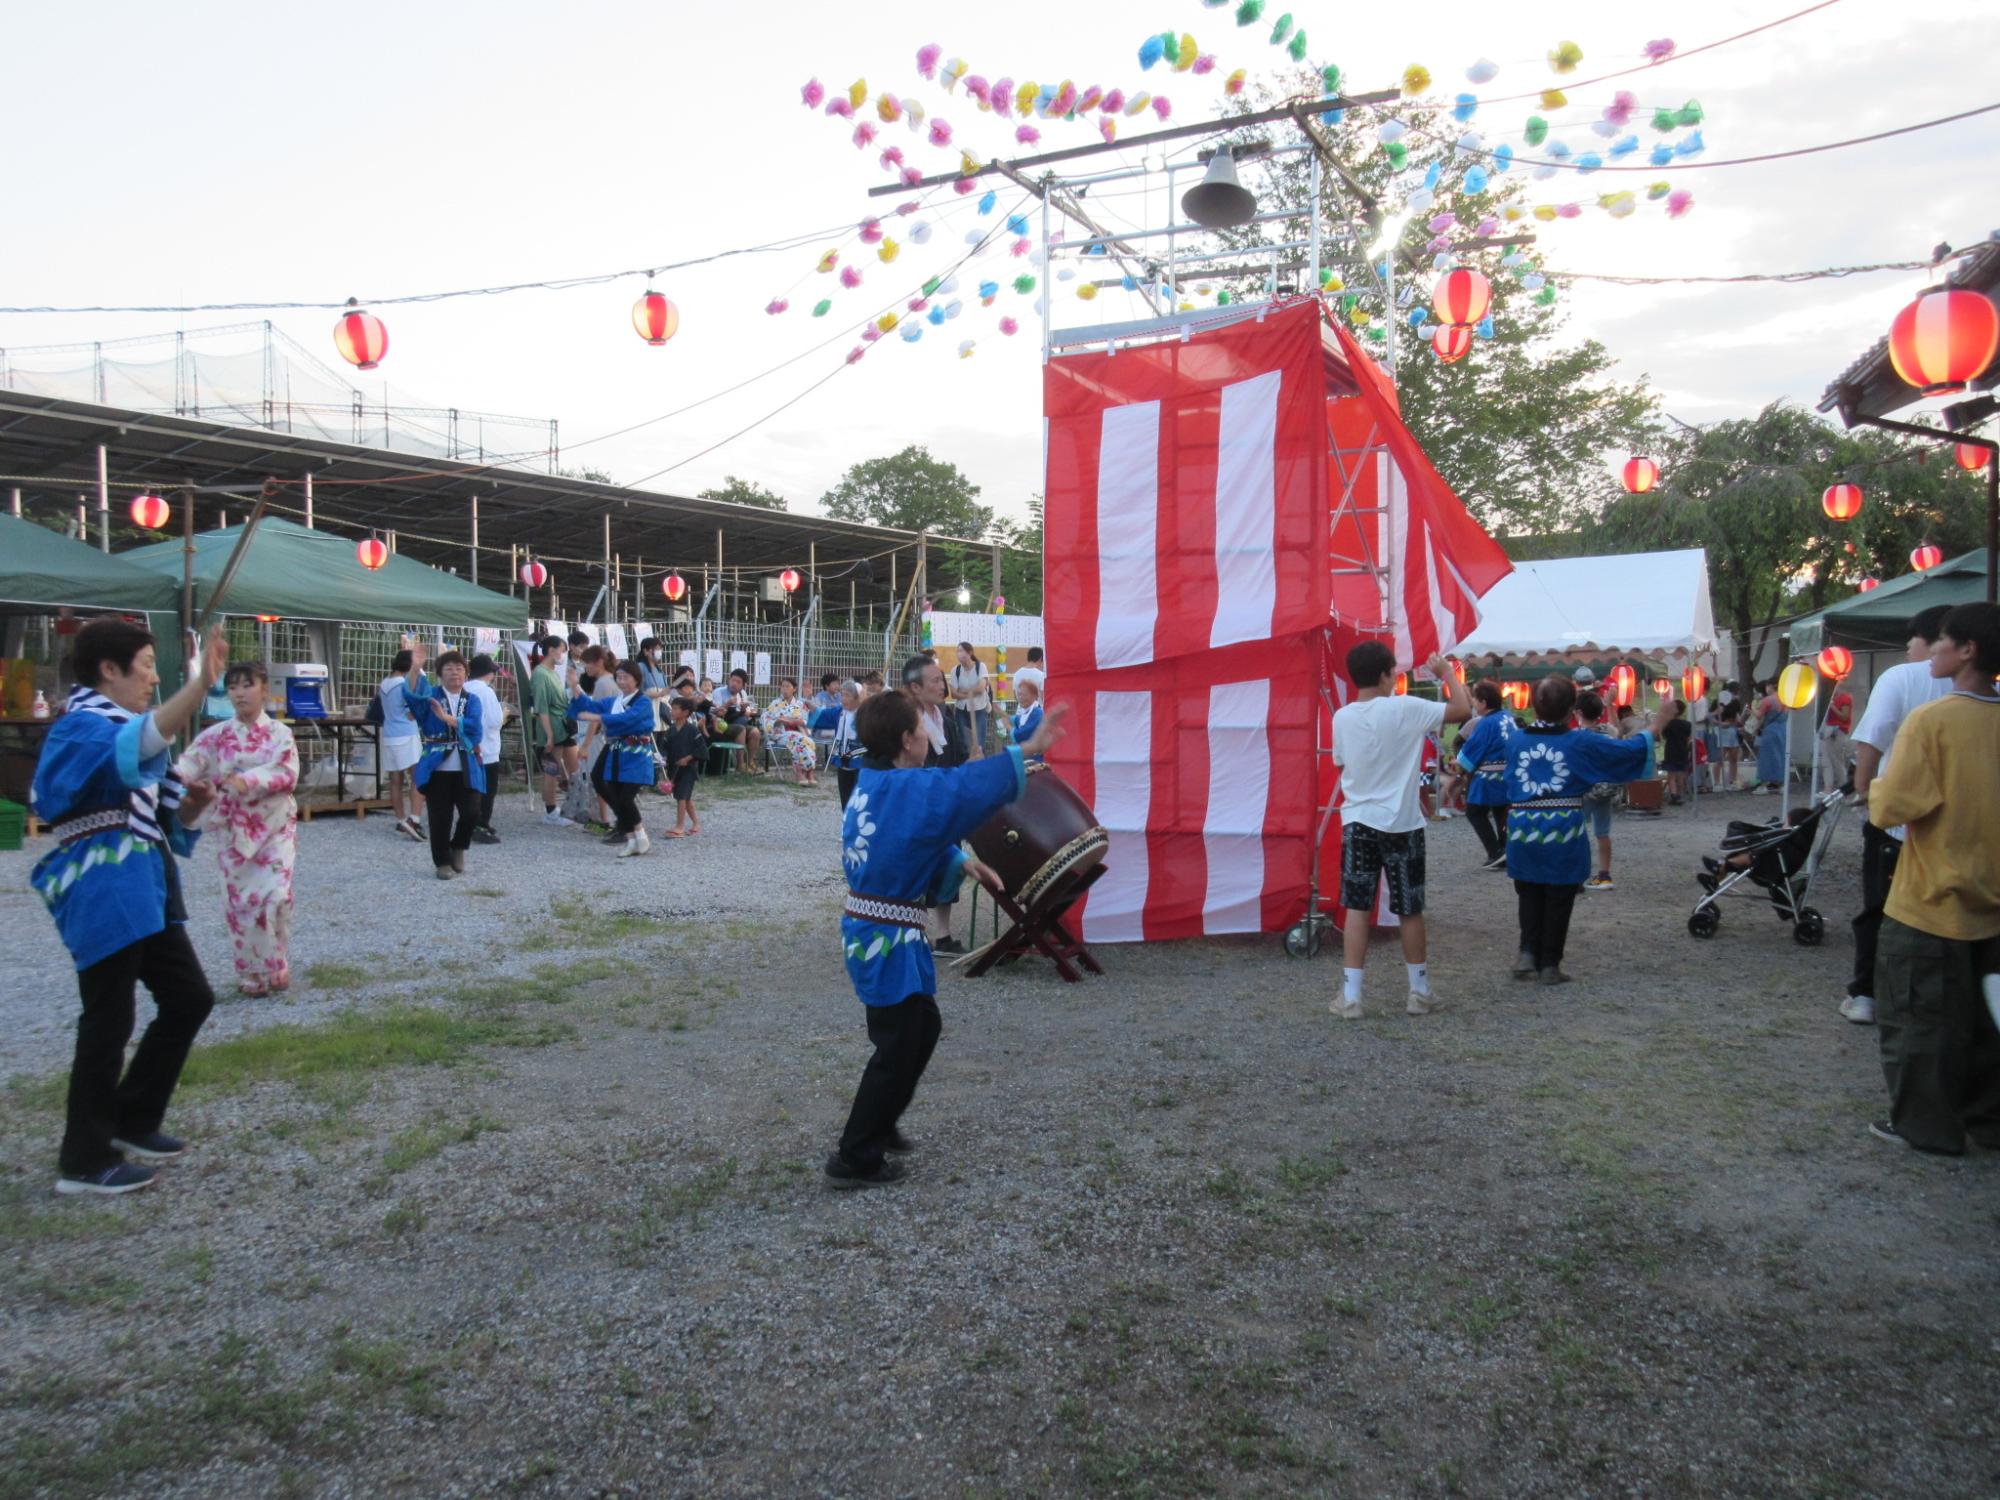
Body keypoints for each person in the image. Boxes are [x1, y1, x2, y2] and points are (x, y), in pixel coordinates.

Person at [827, 687, 1069, 1187]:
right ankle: (854, 1158)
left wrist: (963, 860)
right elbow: (959, 788)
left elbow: (904, 842)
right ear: (906, 739)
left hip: (883, 930)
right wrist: (1024, 751)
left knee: (921, 1028)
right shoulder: (904, 790)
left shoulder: (876, 784)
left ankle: (882, 1122)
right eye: (922, 728)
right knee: (896, 1046)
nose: (928, 736)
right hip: (883, 935)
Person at [33, 621, 228, 1195]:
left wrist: (192, 808)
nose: (152, 676)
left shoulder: (120, 728)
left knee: (189, 996)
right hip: (102, 885)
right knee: (107, 1019)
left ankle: (132, 1119)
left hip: (143, 884)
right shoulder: (80, 728)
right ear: (108, 671)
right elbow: (138, 746)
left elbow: (169, 814)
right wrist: (200, 686)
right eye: (144, 665)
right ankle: (84, 1160)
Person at [1864, 602, 2000, 1155]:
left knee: (1919, 1021)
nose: (1931, 649)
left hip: (1931, 898)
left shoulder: (1933, 720)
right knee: (1987, 1025)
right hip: (1992, 901)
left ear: (1966, 650)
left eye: (1941, 640)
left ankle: (1926, 1125)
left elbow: (1894, 806)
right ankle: (1988, 1121)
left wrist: (1872, 789)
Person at [1331, 644, 1474, 1019]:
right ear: (1383, 675)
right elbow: (1462, 710)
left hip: (1358, 820)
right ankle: (1419, 992)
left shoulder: (1342, 718)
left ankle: (1351, 997)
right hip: (1403, 822)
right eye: (1392, 671)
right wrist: (1446, 673)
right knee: (1410, 910)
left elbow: (1341, 763)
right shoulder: (1407, 707)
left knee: (1357, 908)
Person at [1504, 675, 1673, 985]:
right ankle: (1550, 964)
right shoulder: (1578, 741)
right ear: (1572, 709)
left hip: (1522, 828)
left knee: (1528, 890)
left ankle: (1527, 952)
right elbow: (1627, 752)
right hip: (1562, 827)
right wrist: (1656, 725)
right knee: (1560, 894)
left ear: (1532, 706)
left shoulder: (1515, 740)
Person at [1843, 605, 1956, 1025]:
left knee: (1880, 906)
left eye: (1912, 638)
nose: (1908, 646)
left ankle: (1866, 994)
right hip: (1952, 824)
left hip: (1896, 820)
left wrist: (1864, 793)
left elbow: (1871, 740)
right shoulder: (1981, 693)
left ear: (1935, 640)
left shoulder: (1900, 677)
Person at [175, 662, 299, 996]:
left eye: (248, 685)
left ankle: (276, 959)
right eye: (233, 686)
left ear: (263, 689)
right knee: (241, 902)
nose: (240, 692)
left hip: (273, 826)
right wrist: (174, 785)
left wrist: (248, 780)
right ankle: (250, 972)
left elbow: (287, 773)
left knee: (276, 895)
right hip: (233, 829)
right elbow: (186, 765)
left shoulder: (280, 734)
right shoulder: (216, 736)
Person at [901, 654, 972, 952]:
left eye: (942, 679)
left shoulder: (949, 720)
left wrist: (971, 764)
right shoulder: (905, 722)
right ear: (915, 688)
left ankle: (942, 934)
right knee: (918, 869)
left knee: (951, 866)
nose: (942, 685)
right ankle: (914, 931)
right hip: (918, 805)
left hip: (947, 804)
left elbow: (957, 760)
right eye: (935, 680)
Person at [403, 643, 484, 880]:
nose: (455, 672)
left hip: (466, 765)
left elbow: (474, 728)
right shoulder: (431, 697)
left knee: (471, 812)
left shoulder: (472, 700)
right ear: (440, 674)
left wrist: (448, 718)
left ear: (466, 673)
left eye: (459, 668)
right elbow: (413, 697)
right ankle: (442, 862)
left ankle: (459, 846)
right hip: (437, 766)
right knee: (441, 817)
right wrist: (415, 669)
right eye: (448, 668)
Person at [569, 660, 657, 856]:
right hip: (618, 752)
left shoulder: (643, 701)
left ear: (637, 679)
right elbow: (590, 705)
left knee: (626, 797)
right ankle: (631, 839)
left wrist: (600, 718)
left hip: (636, 755)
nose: (622, 681)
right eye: (619, 677)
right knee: (615, 793)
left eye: (626, 677)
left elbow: (628, 719)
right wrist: (575, 685)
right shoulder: (615, 701)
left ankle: (640, 835)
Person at [1452, 681, 1515, 871]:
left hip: (1490, 777)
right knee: (1501, 812)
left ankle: (1495, 852)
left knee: (1474, 812)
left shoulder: (1486, 723)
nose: (1473, 704)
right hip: (1508, 774)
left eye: (1476, 701)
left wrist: (1460, 762)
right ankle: (1506, 851)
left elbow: (1471, 751)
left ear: (1484, 702)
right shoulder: (1507, 717)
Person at [1576, 692, 1625, 891]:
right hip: (1606, 789)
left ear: (1578, 712)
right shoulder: (1608, 732)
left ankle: (1577, 876)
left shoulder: (1577, 737)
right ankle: (1604, 875)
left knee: (1577, 833)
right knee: (1602, 833)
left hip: (1585, 791)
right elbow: (1619, 732)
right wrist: (1610, 705)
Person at [378, 647, 425, 841]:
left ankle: (400, 819)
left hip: (388, 734)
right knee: (418, 778)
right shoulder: (405, 684)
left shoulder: (385, 683)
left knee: (395, 780)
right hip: (407, 733)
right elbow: (412, 711)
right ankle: (414, 819)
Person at [529, 636, 576, 827]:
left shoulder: (553, 672)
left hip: (563, 724)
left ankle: (574, 806)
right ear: (551, 650)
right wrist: (548, 734)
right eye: (562, 650)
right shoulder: (540, 673)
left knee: (575, 767)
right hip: (552, 725)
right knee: (552, 770)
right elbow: (542, 707)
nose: (563, 654)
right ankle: (550, 810)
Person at [464, 654, 506, 845]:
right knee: (488, 790)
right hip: (487, 748)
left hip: (469, 746)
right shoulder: (486, 692)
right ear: (489, 673)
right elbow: (495, 721)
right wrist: (504, 712)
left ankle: (472, 822)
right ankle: (480, 824)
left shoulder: (463, 688)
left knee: (472, 788)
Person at [661, 696, 707, 837]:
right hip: (674, 769)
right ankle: (696, 823)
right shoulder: (670, 731)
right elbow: (664, 749)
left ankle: (680, 827)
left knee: (682, 796)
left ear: (686, 712)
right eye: (671, 708)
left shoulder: (692, 730)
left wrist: (688, 758)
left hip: (689, 769)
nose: (672, 711)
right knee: (685, 798)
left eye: (675, 709)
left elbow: (702, 750)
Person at [766, 677, 821, 786]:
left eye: (788, 686)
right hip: (781, 734)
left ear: (794, 689)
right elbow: (767, 720)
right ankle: (804, 773)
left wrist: (792, 721)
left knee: (808, 742)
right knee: (800, 740)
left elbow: (805, 721)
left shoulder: (800, 704)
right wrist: (780, 721)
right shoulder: (775, 704)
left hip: (799, 733)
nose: (784, 689)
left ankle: (807, 772)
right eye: (783, 686)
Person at [715, 668, 765, 772]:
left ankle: (750, 762)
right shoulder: (719, 692)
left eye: (738, 682)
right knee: (741, 729)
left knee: (755, 732)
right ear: (729, 680)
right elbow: (716, 712)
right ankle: (740, 764)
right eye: (733, 680)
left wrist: (744, 709)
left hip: (736, 723)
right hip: (721, 724)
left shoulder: (742, 694)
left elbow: (746, 713)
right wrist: (727, 704)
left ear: (743, 685)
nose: (734, 684)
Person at [948, 641, 991, 758]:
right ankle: (967, 767)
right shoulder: (955, 670)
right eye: (957, 651)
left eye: (961, 650)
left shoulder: (980, 666)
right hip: (961, 710)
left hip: (978, 709)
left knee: (979, 743)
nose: (959, 654)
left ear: (970, 652)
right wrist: (971, 692)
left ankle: (981, 767)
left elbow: (981, 689)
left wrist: (962, 691)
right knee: (963, 743)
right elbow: (953, 694)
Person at [830, 680, 864, 806]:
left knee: (859, 799)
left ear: (858, 697)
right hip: (842, 760)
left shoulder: (866, 715)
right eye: (842, 695)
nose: (843, 699)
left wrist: (851, 753)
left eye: (847, 695)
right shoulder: (840, 712)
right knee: (845, 798)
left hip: (860, 762)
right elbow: (820, 716)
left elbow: (871, 743)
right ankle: (846, 822)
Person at [1819, 680, 1855, 796]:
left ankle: (1843, 787)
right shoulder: (1829, 698)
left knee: (1837, 761)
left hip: (1838, 731)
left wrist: (1832, 707)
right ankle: (1827, 788)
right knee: (1826, 761)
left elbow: (1844, 717)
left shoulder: (1845, 698)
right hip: (1827, 731)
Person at [1661, 698, 1693, 808]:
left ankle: (1673, 795)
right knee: (1681, 775)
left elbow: (1664, 736)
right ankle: (1679, 794)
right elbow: (1689, 739)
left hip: (1671, 750)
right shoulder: (1687, 724)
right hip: (1683, 750)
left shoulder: (1668, 723)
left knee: (1672, 775)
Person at [1714, 691, 1743, 791]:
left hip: (1733, 730)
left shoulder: (1736, 703)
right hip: (1723, 731)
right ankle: (1717, 783)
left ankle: (1732, 781)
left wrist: (1739, 722)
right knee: (1720, 757)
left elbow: (1738, 717)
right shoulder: (1717, 701)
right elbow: (1710, 716)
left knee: (1733, 758)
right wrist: (1720, 723)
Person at [1012, 676, 1044, 765]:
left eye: (1024, 694)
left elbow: (1022, 734)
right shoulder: (1024, 713)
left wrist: (1010, 728)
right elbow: (1018, 721)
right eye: (1019, 694)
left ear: (1035, 695)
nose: (1021, 697)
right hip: (1024, 757)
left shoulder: (1037, 712)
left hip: (1034, 759)